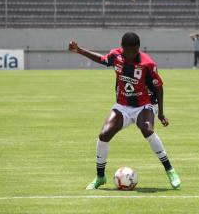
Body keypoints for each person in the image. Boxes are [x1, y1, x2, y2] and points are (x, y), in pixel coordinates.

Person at [68, 32, 181, 190]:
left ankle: (170, 170)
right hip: (122, 106)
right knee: (103, 135)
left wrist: (160, 113)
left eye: (134, 51)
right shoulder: (116, 56)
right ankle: (100, 177)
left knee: (147, 130)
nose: (130, 54)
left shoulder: (147, 64)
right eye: (128, 51)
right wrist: (79, 50)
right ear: (123, 48)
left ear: (138, 48)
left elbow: (159, 87)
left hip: (144, 105)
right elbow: (102, 60)